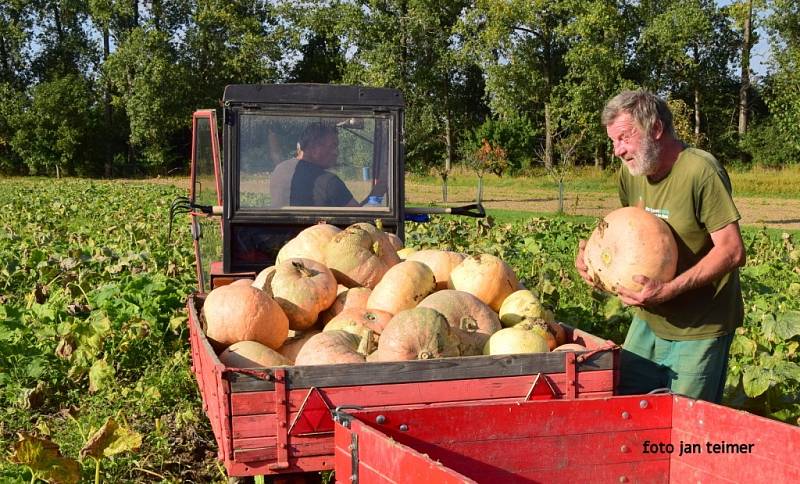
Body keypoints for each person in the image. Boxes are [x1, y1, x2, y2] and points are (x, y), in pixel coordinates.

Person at [575, 89, 746, 403]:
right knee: (630, 411)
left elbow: (732, 250)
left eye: (624, 138)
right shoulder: (632, 174)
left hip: (699, 326)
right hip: (648, 322)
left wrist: (670, 289)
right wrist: (596, 262)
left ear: (655, 129)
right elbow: (629, 235)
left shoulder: (700, 171)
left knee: (683, 426)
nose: (617, 150)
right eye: (613, 141)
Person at [270, 122, 359, 207]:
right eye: (333, 146)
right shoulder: (329, 182)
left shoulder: (279, 170)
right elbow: (360, 218)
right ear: (314, 147)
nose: (336, 152)